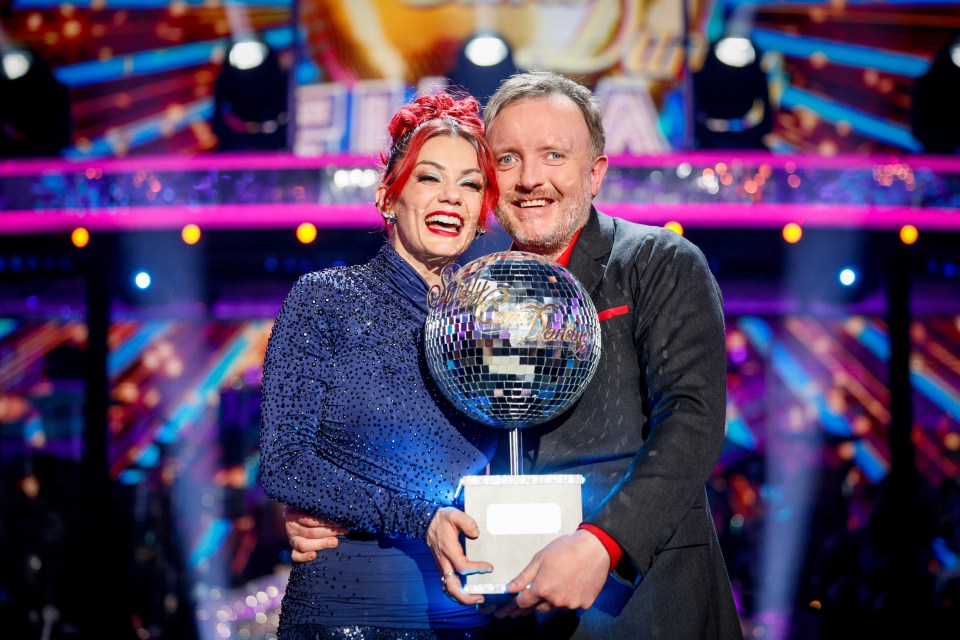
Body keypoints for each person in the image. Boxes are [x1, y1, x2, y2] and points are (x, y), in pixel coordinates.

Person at [287, 70, 744, 639]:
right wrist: (337, 513)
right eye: (508, 160)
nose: (531, 179)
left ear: (595, 172)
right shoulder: (466, 296)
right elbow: (413, 446)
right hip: (508, 612)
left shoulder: (658, 262)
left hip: (645, 605)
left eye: (554, 154)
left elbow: (693, 421)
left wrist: (603, 544)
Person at [258, 90, 504, 640]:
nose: (452, 197)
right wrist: (421, 518)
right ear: (388, 198)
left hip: (466, 612)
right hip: (347, 610)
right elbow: (284, 464)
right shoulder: (326, 300)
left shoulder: (491, 328)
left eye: (470, 184)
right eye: (429, 177)